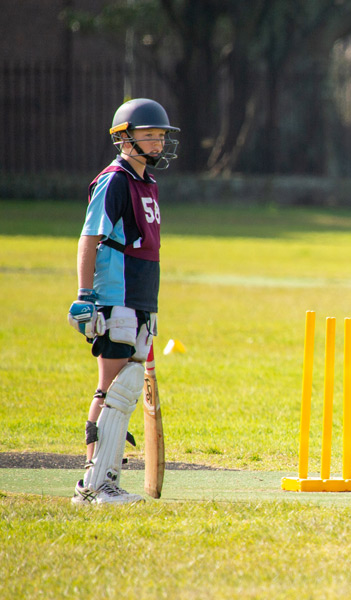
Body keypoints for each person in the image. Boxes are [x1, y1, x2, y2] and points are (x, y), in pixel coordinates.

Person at [68, 98, 180, 504]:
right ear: (124, 138)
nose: (157, 142)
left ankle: (102, 480)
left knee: (125, 387)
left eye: (161, 135)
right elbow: (89, 237)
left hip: (142, 295)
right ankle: (95, 484)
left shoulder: (145, 182)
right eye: (149, 134)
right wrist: (85, 296)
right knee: (112, 386)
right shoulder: (114, 180)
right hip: (117, 296)